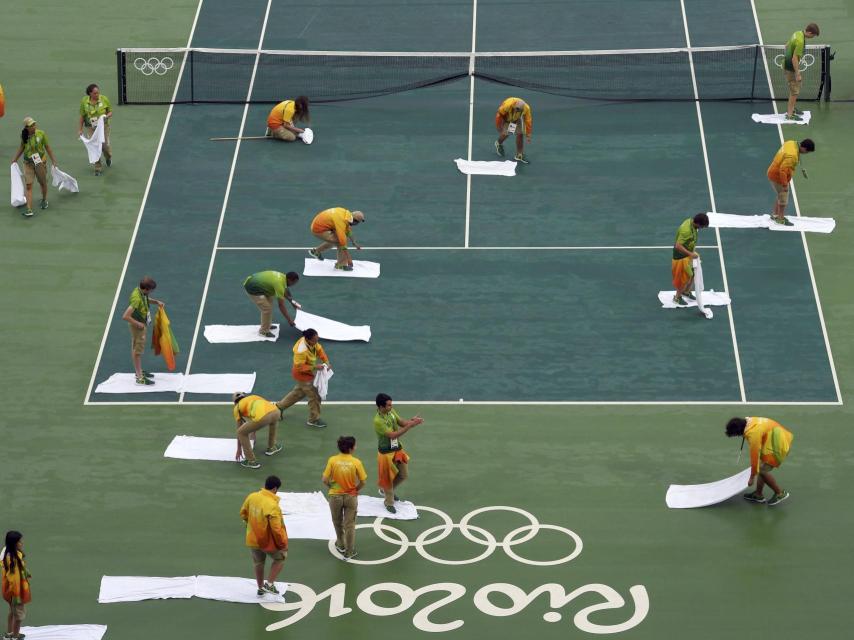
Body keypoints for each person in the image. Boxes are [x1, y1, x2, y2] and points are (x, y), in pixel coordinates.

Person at [374, 393, 424, 514]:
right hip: (385, 453)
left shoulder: (391, 412)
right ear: (381, 407)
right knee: (387, 480)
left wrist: (411, 421)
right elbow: (393, 435)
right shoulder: (378, 421)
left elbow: (401, 422)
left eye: (391, 404)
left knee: (403, 475)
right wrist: (410, 426)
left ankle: (385, 491)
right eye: (388, 405)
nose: (391, 407)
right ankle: (388, 502)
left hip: (397, 449)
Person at [726, 417, 793, 506]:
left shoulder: (753, 434)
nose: (738, 436)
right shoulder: (748, 421)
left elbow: (755, 457)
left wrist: (751, 477)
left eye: (736, 434)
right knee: (761, 467)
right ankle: (758, 494)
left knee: (761, 470)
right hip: (775, 437)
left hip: (778, 443)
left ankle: (779, 493)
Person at [239, 476, 288, 596]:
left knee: (258, 563)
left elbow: (243, 513)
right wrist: (282, 545)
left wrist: (249, 524)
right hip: (267, 541)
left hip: (252, 538)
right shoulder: (272, 505)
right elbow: (276, 529)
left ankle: (260, 588)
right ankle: (269, 584)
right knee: (280, 558)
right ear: (275, 489)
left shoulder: (252, 496)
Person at [322, 436, 367, 560]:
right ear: (351, 448)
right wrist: (355, 490)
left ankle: (341, 544)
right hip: (350, 497)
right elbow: (363, 481)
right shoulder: (356, 462)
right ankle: (349, 551)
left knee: (337, 522)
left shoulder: (332, 460)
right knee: (350, 525)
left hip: (335, 496)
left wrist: (331, 486)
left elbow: (325, 479)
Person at [276, 329, 331, 428]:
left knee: (298, 393)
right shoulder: (301, 350)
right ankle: (313, 420)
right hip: (302, 375)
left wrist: (326, 362)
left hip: (309, 373)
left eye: (317, 339)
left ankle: (278, 408)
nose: (316, 342)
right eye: (315, 340)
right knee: (314, 396)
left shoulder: (313, 342)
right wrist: (315, 367)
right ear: (308, 340)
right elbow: (299, 367)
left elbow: (319, 350)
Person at [120, 276, 165, 386]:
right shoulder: (136, 299)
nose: (151, 292)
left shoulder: (140, 292)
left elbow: (145, 299)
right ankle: (139, 377)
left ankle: (138, 371)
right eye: (151, 290)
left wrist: (156, 302)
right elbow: (125, 316)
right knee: (138, 351)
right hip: (138, 327)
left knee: (136, 348)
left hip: (141, 324)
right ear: (146, 289)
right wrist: (138, 324)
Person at [11, 117, 57, 218]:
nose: (34, 126)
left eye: (34, 124)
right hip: (28, 163)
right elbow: (22, 147)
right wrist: (14, 159)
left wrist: (53, 160)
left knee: (43, 183)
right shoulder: (24, 135)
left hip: (40, 162)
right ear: (27, 127)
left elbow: (48, 147)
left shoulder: (41, 134)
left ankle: (44, 200)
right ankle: (29, 209)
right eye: (31, 125)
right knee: (29, 186)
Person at [767, 139, 814, 226]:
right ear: (804, 148)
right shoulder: (792, 156)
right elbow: (782, 171)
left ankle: (775, 215)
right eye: (807, 152)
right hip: (777, 176)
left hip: (773, 170)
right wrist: (785, 184)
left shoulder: (791, 143)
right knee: (783, 196)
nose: (806, 154)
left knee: (780, 194)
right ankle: (780, 219)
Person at [233, 392, 283, 470]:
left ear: (235, 402)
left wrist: (239, 449)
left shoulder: (237, 408)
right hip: (276, 412)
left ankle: (251, 461)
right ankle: (272, 447)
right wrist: (253, 432)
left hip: (263, 418)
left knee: (241, 432)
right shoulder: (253, 397)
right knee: (273, 422)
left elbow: (239, 429)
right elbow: (260, 409)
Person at [243, 270, 300, 337]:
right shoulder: (279, 284)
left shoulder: (283, 277)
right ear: (289, 280)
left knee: (269, 303)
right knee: (267, 309)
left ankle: (267, 325)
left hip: (262, 286)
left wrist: (293, 302)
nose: (294, 284)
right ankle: (263, 331)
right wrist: (289, 320)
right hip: (252, 287)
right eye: (294, 282)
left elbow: (285, 290)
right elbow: (281, 305)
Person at [783, 23, 820, 121]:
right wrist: (797, 73)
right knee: (794, 91)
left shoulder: (797, 33)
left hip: (787, 64)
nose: (813, 37)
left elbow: (786, 45)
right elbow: (794, 59)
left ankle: (792, 109)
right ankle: (790, 115)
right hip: (790, 68)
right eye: (813, 35)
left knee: (795, 89)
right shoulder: (800, 41)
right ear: (809, 32)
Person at [671, 213, 709, 306]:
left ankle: (686, 292)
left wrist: (692, 252)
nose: (701, 228)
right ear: (698, 223)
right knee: (685, 278)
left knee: (692, 274)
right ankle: (677, 298)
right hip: (681, 257)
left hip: (687, 255)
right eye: (702, 226)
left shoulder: (691, 223)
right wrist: (690, 254)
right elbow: (678, 246)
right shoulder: (686, 231)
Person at [1, 531, 31, 640]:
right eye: (19, 541)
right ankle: (15, 636)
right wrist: (17, 595)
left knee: (12, 612)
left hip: (9, 591)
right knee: (19, 615)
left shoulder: (8, 553)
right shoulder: (13, 559)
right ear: (14, 543)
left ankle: (9, 633)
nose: (22, 543)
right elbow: (13, 579)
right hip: (16, 592)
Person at [78, 83, 113, 175]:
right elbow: (82, 116)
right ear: (90, 94)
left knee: (104, 146)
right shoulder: (84, 102)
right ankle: (98, 168)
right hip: (91, 127)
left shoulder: (104, 99)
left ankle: (108, 157)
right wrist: (80, 129)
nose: (97, 95)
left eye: (98, 93)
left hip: (103, 127)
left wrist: (106, 116)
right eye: (95, 93)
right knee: (94, 146)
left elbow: (110, 112)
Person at [494, 97, 532, 164]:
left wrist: (528, 134)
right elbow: (499, 115)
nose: (517, 110)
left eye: (519, 110)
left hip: (516, 119)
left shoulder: (526, 108)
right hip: (505, 117)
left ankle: (519, 155)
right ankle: (498, 143)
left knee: (520, 134)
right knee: (506, 134)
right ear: (514, 105)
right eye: (516, 109)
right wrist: (499, 126)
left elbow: (528, 121)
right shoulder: (507, 104)